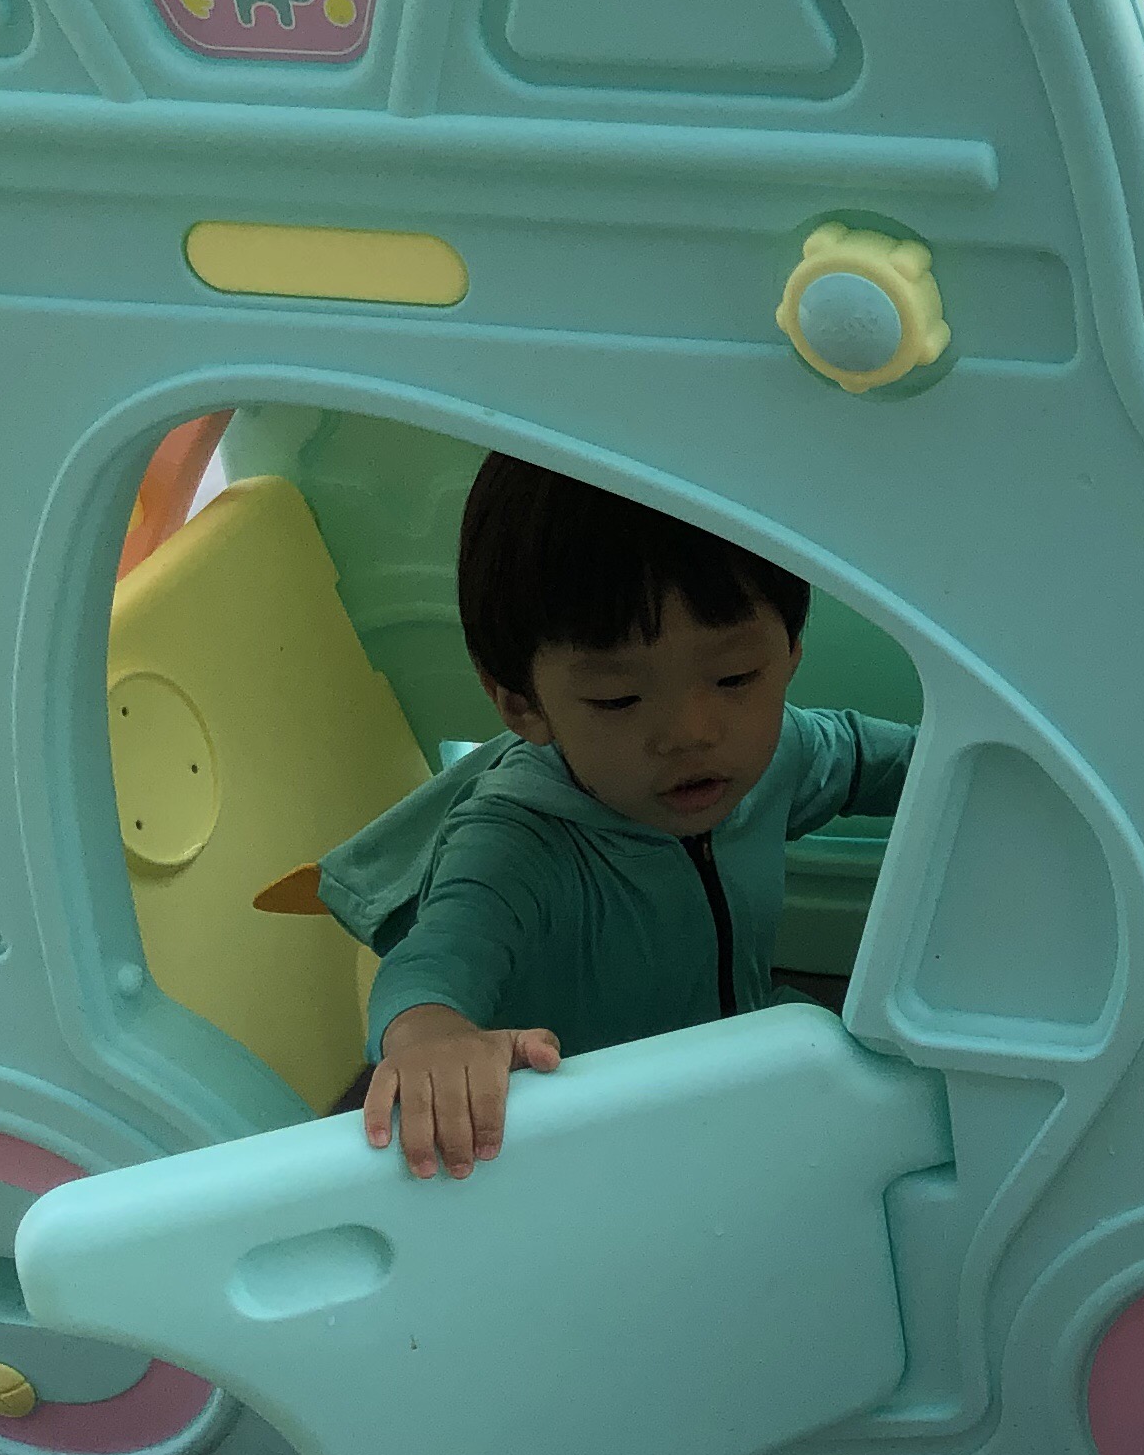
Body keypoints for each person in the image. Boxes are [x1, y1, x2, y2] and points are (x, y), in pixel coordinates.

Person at [318, 454, 912, 1178]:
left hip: (742, 1059)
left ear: (789, 654)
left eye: (735, 677)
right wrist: (433, 1041)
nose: (691, 732)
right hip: (591, 1137)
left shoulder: (782, 748)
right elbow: (431, 966)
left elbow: (901, 762)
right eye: (618, 700)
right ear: (521, 705)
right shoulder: (513, 842)